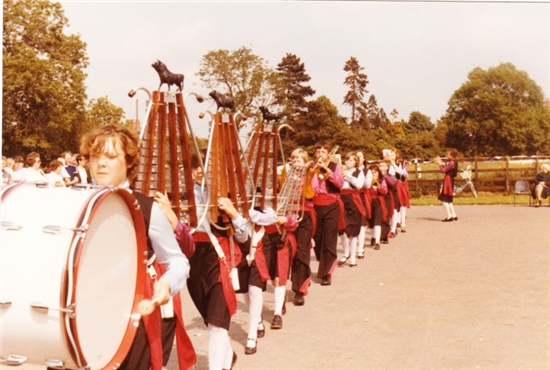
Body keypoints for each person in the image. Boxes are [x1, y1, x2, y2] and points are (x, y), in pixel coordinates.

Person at [79, 124, 191, 370]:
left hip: (130, 321)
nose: (101, 164)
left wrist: (167, 283)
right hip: (84, 317)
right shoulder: (75, 203)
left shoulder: (146, 208)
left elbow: (178, 261)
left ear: (129, 163)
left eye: (111, 157)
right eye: (96, 156)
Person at [186, 153, 246, 370]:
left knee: (216, 324)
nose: (200, 171)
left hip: (220, 260)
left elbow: (243, 236)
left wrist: (233, 213)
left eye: (205, 167)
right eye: (196, 167)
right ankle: (228, 357)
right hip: (195, 260)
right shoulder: (183, 195)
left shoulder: (225, 194)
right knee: (211, 322)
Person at [311, 141, 343, 286]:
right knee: (317, 240)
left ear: (328, 153)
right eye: (318, 152)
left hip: (331, 204)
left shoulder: (335, 167)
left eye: (323, 152)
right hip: (315, 204)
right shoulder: (311, 167)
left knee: (329, 240)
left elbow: (340, 184)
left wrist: (327, 172)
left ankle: (326, 273)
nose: (320, 154)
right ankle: (322, 262)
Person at [289, 148, 315, 306]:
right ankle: (303, 277)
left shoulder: (311, 175)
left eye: (299, 159)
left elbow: (314, 193)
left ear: (305, 162)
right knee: (290, 251)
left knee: (302, 250)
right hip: (289, 214)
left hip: (305, 214)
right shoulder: (286, 175)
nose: (295, 162)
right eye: (293, 159)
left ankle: (299, 289)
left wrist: (303, 181)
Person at [338, 152, 365, 268]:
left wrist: (347, 176)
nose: (347, 162)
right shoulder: (339, 172)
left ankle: (353, 257)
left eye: (350, 160)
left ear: (355, 162)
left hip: (353, 200)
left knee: (353, 231)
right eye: (346, 160)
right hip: (341, 199)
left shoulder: (359, 173)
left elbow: (359, 185)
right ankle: (345, 253)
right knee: (342, 230)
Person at [436, 148, 459, 222]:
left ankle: (449, 216)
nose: (447, 155)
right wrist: (443, 164)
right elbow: (447, 168)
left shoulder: (451, 163)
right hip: (451, 180)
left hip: (448, 180)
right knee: (449, 199)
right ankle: (454, 214)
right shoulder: (454, 161)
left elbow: (443, 171)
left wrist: (439, 164)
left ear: (452, 155)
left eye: (448, 154)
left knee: (443, 198)